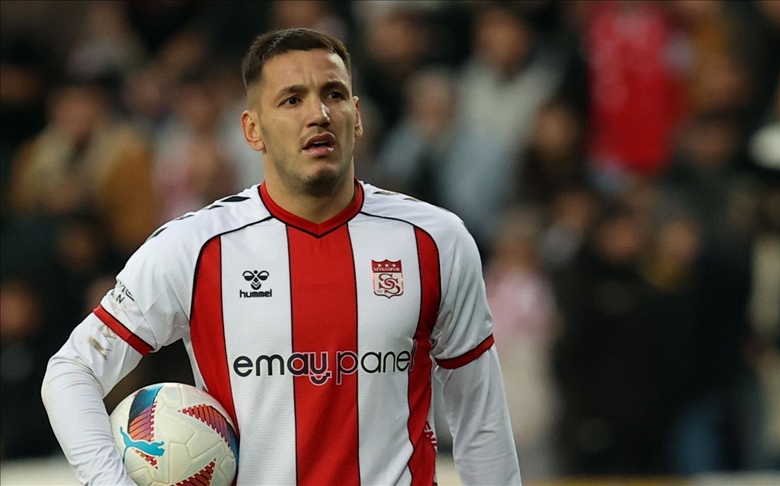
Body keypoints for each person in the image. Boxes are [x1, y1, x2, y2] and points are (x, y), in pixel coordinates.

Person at [41, 28, 521, 485]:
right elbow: (71, 371)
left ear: (357, 116)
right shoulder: (193, 247)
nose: (319, 114)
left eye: (334, 95)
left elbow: (482, 419)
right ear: (253, 130)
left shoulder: (435, 240)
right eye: (292, 99)